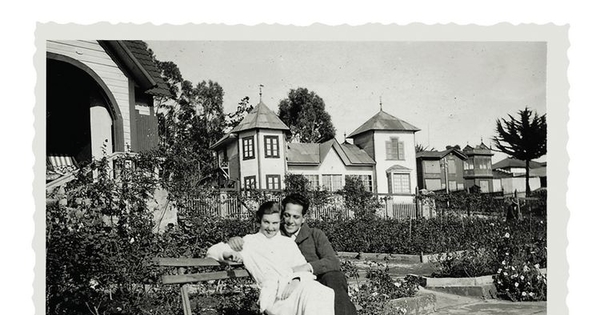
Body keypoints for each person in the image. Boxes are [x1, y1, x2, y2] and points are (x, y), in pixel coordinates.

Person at [229, 194, 357, 315]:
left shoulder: (315, 234)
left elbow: (332, 261)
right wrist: (234, 240)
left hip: (318, 278)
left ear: (303, 219)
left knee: (334, 279)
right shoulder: (274, 234)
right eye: (287, 215)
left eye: (296, 217)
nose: (290, 221)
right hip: (289, 284)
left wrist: (305, 268)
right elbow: (256, 243)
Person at [207, 201, 334, 315]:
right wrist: (227, 254)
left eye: (275, 223)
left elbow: (301, 266)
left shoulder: (288, 243)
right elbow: (212, 251)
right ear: (259, 221)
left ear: (280, 222)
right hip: (275, 296)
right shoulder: (249, 242)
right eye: (266, 222)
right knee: (317, 295)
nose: (270, 227)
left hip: (296, 287)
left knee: (323, 292)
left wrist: (296, 280)